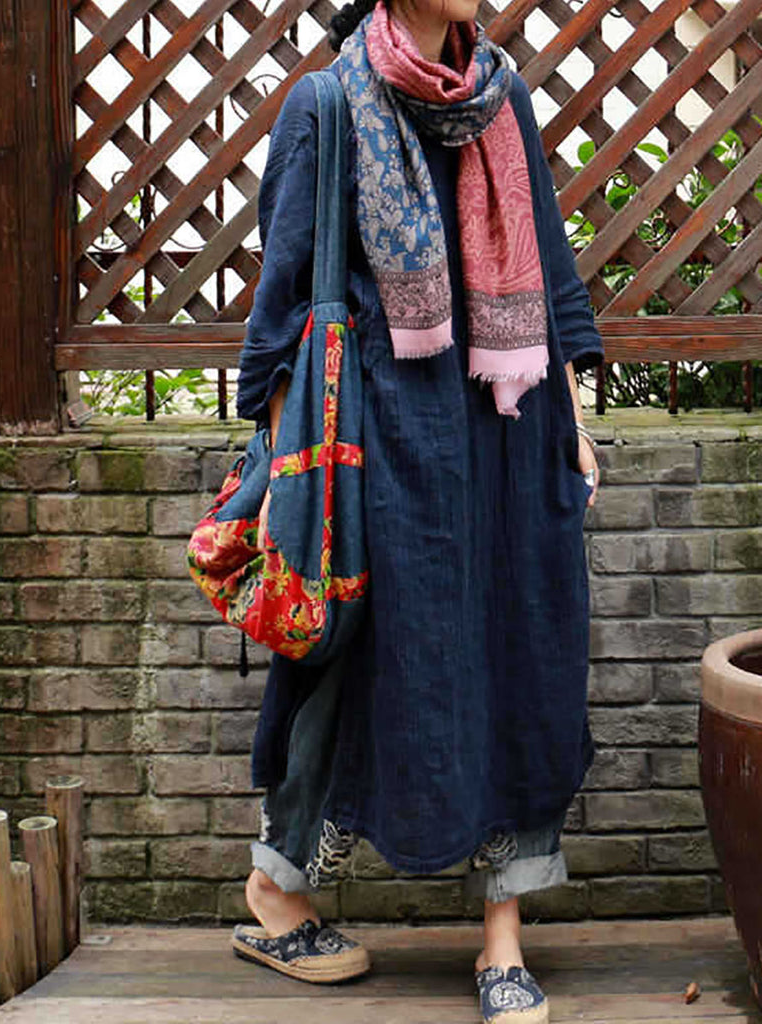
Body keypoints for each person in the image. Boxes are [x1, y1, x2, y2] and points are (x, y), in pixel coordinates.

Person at [232, 0, 603, 1020]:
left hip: (510, 433)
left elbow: (552, 271)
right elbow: (282, 305)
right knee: (346, 654)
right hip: (384, 446)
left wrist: (575, 418)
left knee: (523, 654)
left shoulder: (503, 100)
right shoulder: (326, 106)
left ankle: (501, 938)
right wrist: (294, 473)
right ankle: (277, 885)